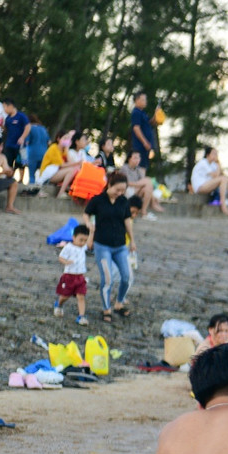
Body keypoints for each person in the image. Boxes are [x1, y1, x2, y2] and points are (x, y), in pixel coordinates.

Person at [85, 171, 135, 323]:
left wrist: (132, 240)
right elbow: (86, 214)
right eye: (117, 189)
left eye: (123, 190)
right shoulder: (98, 200)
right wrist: (89, 226)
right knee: (107, 279)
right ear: (110, 185)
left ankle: (119, 303)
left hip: (120, 245)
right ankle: (106, 308)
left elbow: (128, 221)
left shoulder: (123, 201)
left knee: (126, 277)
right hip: (102, 245)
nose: (120, 193)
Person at [54, 224, 91, 326]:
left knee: (81, 296)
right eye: (80, 240)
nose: (83, 243)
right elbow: (60, 257)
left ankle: (81, 316)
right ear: (73, 237)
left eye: (85, 240)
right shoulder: (68, 247)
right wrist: (66, 262)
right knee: (66, 295)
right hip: (69, 276)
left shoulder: (83, 247)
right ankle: (59, 304)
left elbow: (90, 244)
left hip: (80, 277)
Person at [37, 130, 83, 196]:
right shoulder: (54, 148)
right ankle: (61, 193)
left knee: (75, 169)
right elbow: (62, 165)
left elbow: (70, 162)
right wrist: (77, 163)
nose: (67, 140)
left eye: (68, 139)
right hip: (48, 176)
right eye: (65, 138)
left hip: (55, 173)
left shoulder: (63, 150)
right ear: (58, 139)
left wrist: (67, 150)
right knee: (72, 170)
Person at [192, 146, 228, 214]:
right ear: (208, 155)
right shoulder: (203, 163)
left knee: (227, 178)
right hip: (200, 187)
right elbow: (216, 176)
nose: (216, 156)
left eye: (216, 154)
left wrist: (218, 165)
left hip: (207, 185)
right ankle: (223, 203)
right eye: (214, 153)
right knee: (223, 179)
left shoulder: (213, 165)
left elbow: (221, 175)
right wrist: (218, 164)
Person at [0, 99, 30, 181]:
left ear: (10, 106)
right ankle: (8, 179)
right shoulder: (8, 118)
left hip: (20, 145)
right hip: (9, 144)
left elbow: (28, 127)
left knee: (21, 163)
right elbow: (6, 130)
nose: (4, 110)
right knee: (8, 162)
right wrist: (1, 125)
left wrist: (22, 137)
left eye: (5, 107)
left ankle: (20, 180)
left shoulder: (21, 116)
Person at [130, 92, 156, 168]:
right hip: (140, 146)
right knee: (141, 167)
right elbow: (136, 128)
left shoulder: (143, 113)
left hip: (145, 146)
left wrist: (156, 115)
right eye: (143, 100)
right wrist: (145, 142)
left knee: (145, 165)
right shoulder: (136, 113)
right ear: (137, 100)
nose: (145, 102)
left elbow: (150, 123)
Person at [24, 114, 49, 183]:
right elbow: (48, 141)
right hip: (44, 153)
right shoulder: (43, 128)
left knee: (31, 175)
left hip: (32, 153)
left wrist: (23, 159)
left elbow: (26, 142)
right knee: (43, 174)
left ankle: (31, 190)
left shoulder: (29, 128)